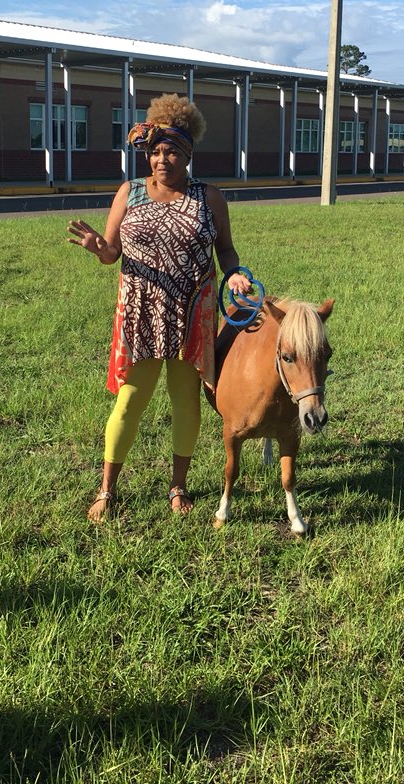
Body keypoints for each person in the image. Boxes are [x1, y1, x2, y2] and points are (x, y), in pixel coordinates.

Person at [68, 93, 251, 522]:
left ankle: (178, 485)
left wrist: (234, 274)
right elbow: (112, 251)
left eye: (171, 152)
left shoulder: (209, 197)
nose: (161, 160)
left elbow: (225, 249)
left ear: (187, 155)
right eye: (155, 152)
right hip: (141, 316)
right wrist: (98, 248)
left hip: (191, 315)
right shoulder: (129, 193)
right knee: (130, 401)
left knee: (185, 401)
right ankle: (107, 488)